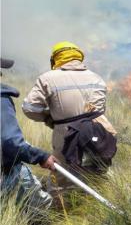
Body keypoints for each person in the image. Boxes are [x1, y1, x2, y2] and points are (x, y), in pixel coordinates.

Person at [22, 42, 116, 195]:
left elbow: (29, 108)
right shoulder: (97, 78)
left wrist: (49, 118)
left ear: (55, 58)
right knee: (97, 171)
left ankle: (63, 214)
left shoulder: (48, 78)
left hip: (67, 132)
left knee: (62, 179)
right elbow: (100, 109)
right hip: (100, 130)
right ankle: (94, 208)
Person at [1, 58, 57, 214]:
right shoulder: (1, 99)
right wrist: (41, 156)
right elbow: (9, 142)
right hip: (6, 171)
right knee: (42, 207)